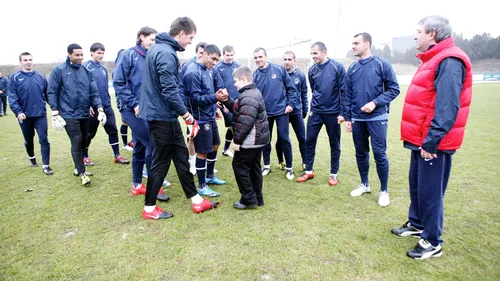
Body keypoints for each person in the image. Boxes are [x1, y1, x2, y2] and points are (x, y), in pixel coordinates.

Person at [392, 15, 472, 259]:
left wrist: (432, 140)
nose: (415, 36)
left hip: (433, 142)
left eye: (419, 31)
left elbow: (448, 105)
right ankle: (417, 223)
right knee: (417, 185)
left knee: (430, 191)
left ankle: (432, 241)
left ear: (432, 34)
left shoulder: (449, 59)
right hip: (420, 139)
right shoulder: (433, 58)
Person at [140, 16, 219, 219]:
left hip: (165, 115)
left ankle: (196, 200)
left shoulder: (159, 49)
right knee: (161, 161)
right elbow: (169, 90)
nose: (191, 42)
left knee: (181, 156)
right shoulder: (165, 53)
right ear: (181, 33)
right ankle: (149, 208)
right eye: (190, 37)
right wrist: (187, 116)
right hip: (161, 116)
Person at [343, 33, 400, 207]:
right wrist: (348, 118)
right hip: (357, 119)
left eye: (356, 43)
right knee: (360, 153)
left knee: (379, 154)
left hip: (377, 117)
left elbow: (394, 89)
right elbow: (347, 95)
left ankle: (384, 191)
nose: (353, 46)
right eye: (352, 43)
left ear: (367, 44)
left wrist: (375, 103)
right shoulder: (352, 68)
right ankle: (365, 184)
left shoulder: (382, 64)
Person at [113, 27, 170, 200]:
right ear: (141, 38)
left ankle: (137, 185)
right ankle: (155, 187)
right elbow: (118, 82)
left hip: (148, 109)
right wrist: (134, 103)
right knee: (152, 144)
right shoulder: (128, 55)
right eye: (151, 39)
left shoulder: (152, 57)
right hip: (131, 108)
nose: (154, 43)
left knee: (139, 145)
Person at [47, 44, 105, 185]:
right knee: (77, 140)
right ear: (69, 54)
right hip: (68, 113)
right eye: (77, 55)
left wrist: (100, 108)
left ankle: (77, 167)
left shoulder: (86, 71)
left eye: (81, 55)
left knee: (85, 140)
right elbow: (52, 91)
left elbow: (93, 91)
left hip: (84, 112)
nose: (80, 57)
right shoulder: (59, 70)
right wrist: (55, 111)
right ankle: (83, 173)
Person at [216, 66, 270, 209]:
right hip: (258, 140)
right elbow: (237, 107)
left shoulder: (249, 96)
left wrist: (237, 141)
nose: (234, 84)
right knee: (254, 168)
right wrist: (227, 100)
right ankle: (258, 197)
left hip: (251, 140)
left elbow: (245, 121)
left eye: (236, 81)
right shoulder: (250, 93)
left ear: (243, 79)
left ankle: (249, 199)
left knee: (239, 166)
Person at [296, 42, 345, 186]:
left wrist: (342, 112)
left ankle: (333, 174)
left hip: (333, 112)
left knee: (334, 143)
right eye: (312, 54)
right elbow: (315, 89)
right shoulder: (312, 70)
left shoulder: (337, 67)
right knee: (309, 140)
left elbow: (344, 91)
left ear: (324, 52)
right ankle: (309, 171)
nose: (313, 56)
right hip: (316, 111)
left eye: (315, 53)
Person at [184, 44, 227, 197]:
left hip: (209, 115)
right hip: (199, 118)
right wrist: (214, 98)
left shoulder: (209, 70)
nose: (214, 62)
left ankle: (210, 177)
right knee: (202, 152)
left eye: (217, 60)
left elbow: (208, 93)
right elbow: (193, 99)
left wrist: (215, 104)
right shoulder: (192, 72)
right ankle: (202, 186)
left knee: (215, 145)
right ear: (204, 54)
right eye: (213, 59)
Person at [253, 47, 298, 179]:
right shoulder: (255, 75)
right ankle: (266, 165)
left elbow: (291, 89)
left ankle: (289, 168)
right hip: (265, 113)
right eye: (255, 57)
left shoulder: (279, 70)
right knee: (266, 140)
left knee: (284, 139)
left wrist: (290, 105)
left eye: (260, 57)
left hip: (281, 111)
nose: (258, 60)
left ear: (266, 57)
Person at [83, 43, 130, 166]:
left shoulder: (103, 69)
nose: (101, 55)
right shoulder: (85, 67)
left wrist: (108, 103)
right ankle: (84, 156)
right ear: (92, 52)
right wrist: (87, 105)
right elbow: (83, 88)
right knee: (90, 133)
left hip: (106, 106)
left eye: (102, 53)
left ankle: (117, 155)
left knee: (112, 130)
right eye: (98, 53)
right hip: (93, 107)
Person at [8, 52, 53, 175]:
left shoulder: (41, 77)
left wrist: (55, 108)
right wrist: (18, 112)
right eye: (25, 60)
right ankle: (32, 158)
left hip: (40, 115)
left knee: (44, 139)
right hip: (24, 115)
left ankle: (46, 166)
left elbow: (48, 95)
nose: (28, 62)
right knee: (29, 139)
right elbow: (12, 97)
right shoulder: (14, 77)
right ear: (21, 62)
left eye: (30, 59)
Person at [276, 51, 308, 170]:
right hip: (282, 112)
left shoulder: (300, 75)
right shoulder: (279, 74)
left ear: (294, 61)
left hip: (296, 112)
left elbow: (304, 93)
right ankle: (281, 161)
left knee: (302, 138)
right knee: (282, 139)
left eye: (290, 59)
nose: (287, 62)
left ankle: (305, 162)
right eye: (285, 59)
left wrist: (305, 109)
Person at [180, 42, 207, 175]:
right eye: (200, 52)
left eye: (204, 53)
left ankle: (202, 163)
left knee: (203, 139)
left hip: (204, 110)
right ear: (197, 52)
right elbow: (183, 88)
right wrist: (186, 108)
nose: (202, 55)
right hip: (191, 108)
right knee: (192, 136)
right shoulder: (188, 66)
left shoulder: (207, 68)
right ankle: (192, 162)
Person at [214, 45, 240, 158]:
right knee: (233, 126)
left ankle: (225, 149)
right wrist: (221, 103)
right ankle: (239, 147)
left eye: (231, 55)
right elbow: (216, 86)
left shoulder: (237, 67)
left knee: (234, 125)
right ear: (223, 55)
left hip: (237, 101)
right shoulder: (218, 68)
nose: (230, 57)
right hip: (225, 103)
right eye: (227, 55)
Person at [114, 48, 134, 152]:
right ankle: (125, 144)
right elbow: (119, 87)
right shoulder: (117, 71)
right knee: (125, 122)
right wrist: (120, 103)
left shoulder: (129, 69)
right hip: (123, 102)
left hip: (132, 100)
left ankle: (133, 142)